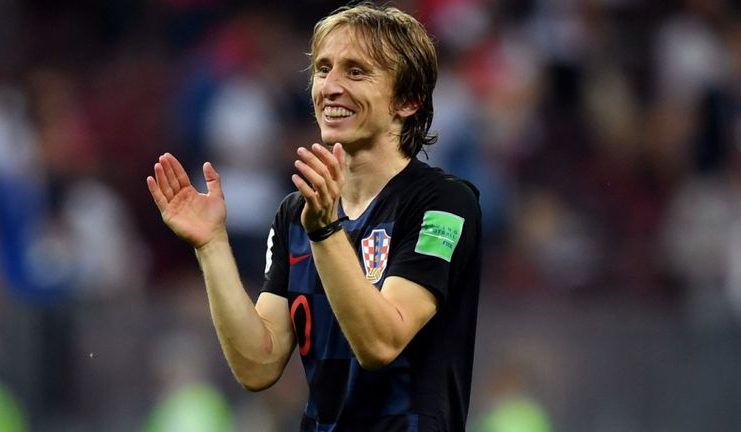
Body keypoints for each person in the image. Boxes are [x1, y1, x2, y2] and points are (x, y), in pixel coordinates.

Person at [146, 2, 482, 430]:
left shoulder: (444, 204)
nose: (330, 87)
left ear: (408, 99)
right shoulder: (296, 214)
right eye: (323, 69)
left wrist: (326, 231)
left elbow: (382, 344)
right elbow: (258, 365)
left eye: (356, 72)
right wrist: (212, 245)